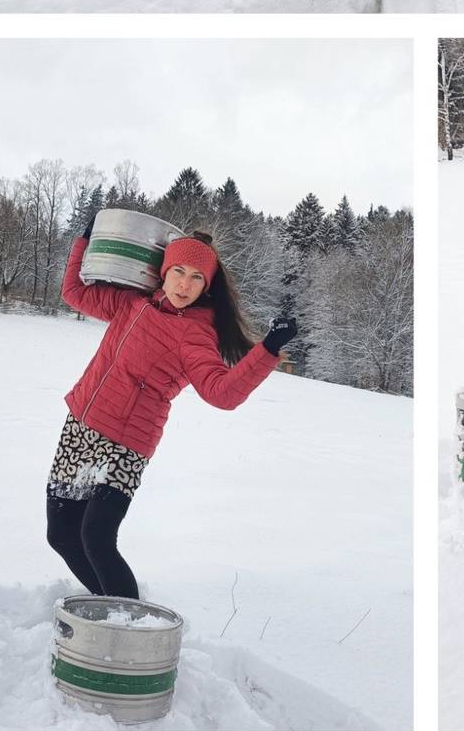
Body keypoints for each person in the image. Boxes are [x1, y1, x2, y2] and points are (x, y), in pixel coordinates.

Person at [46, 221, 297, 599]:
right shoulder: (130, 303)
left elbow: (222, 393)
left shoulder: (195, 333)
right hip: (80, 425)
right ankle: (108, 610)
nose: (184, 285)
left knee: (96, 539)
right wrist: (84, 240)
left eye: (197, 278)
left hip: (127, 444)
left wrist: (267, 349)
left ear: (206, 286)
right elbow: (74, 292)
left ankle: (126, 622)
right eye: (178, 272)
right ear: (163, 271)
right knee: (61, 535)